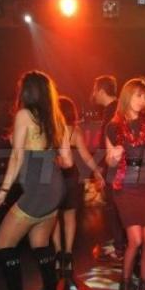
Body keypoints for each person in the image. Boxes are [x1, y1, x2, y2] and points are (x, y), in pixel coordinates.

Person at [0, 71, 72, 290]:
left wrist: (3, 190)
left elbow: (16, 157)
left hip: (37, 191)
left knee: (2, 243)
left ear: (26, 92)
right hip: (55, 188)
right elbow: (68, 162)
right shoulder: (57, 119)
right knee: (40, 244)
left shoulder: (24, 115)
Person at [105, 78, 145, 290]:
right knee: (135, 240)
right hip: (125, 186)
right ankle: (124, 287)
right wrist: (113, 157)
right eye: (138, 95)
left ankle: (143, 286)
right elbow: (109, 160)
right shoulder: (113, 126)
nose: (142, 100)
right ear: (127, 96)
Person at [53, 96, 105, 278]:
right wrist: (97, 171)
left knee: (54, 218)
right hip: (71, 178)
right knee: (70, 217)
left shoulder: (52, 130)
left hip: (52, 177)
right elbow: (85, 156)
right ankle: (68, 254)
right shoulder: (75, 131)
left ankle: (58, 254)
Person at [91, 75, 125, 261]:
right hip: (118, 167)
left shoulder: (113, 110)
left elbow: (108, 146)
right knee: (116, 208)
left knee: (114, 208)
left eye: (95, 90)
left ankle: (120, 248)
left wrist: (102, 170)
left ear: (102, 91)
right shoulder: (115, 108)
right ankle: (120, 244)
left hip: (115, 168)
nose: (93, 94)